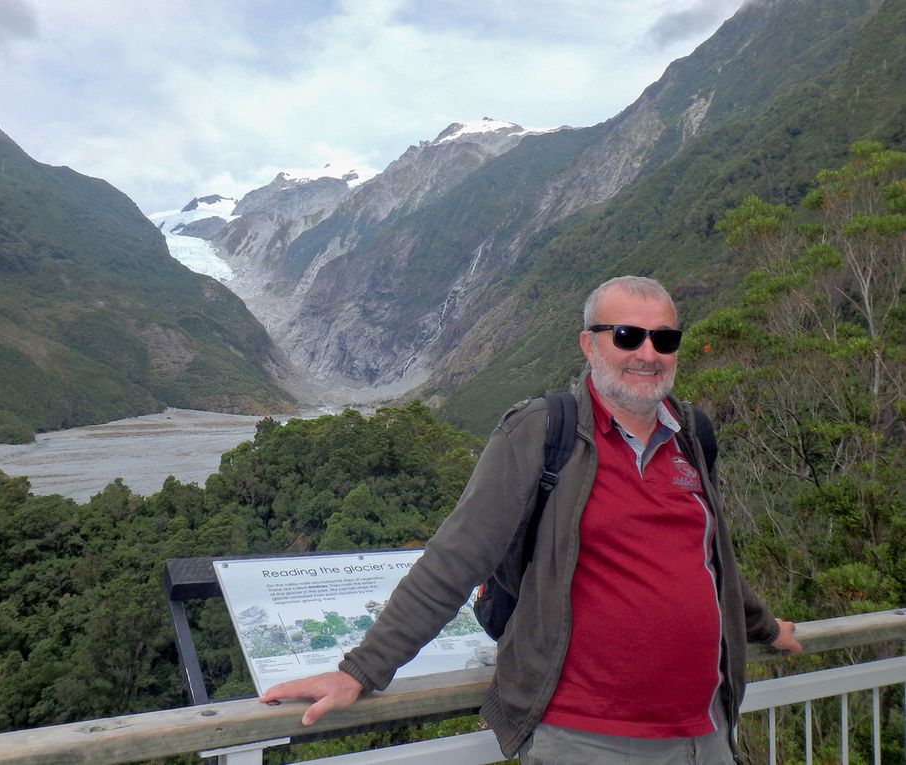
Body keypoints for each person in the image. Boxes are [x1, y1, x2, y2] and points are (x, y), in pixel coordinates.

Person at [260, 275, 802, 763]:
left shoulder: (692, 436)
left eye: (664, 339)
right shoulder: (543, 431)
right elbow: (455, 558)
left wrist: (765, 628)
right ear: (590, 344)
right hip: (584, 740)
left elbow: (709, 562)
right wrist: (362, 669)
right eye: (627, 336)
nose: (648, 353)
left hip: (704, 734)